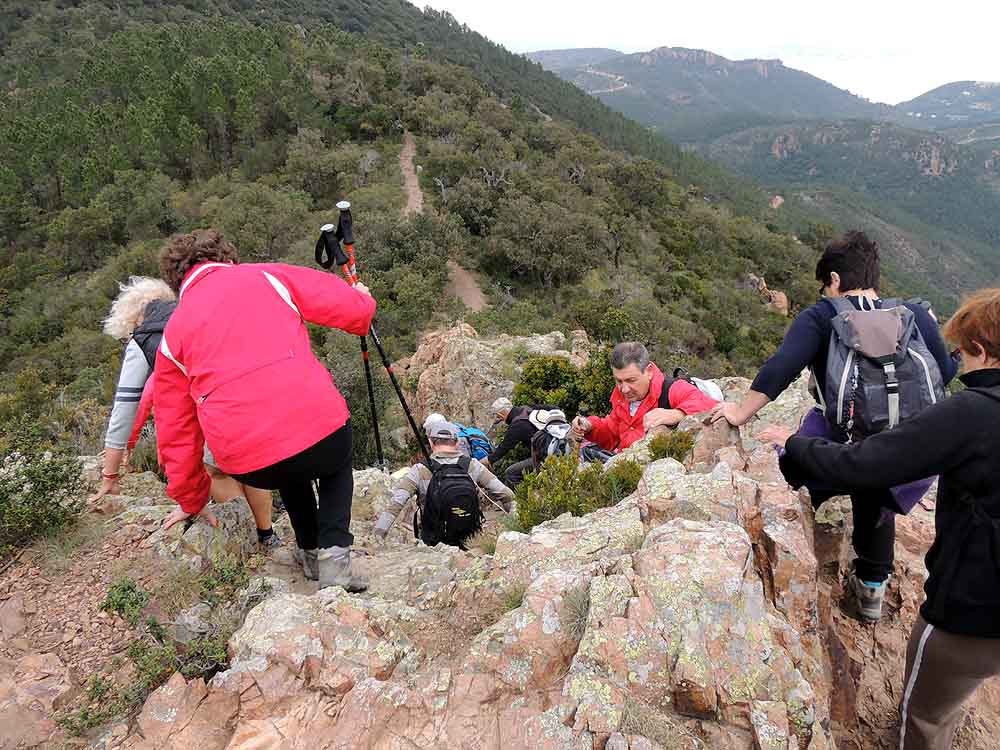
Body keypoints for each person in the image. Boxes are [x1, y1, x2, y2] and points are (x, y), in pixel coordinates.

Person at [761, 288, 1000, 750]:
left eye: (962, 353)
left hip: (972, 611)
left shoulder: (972, 413)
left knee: (925, 717)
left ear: (981, 350)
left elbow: (866, 464)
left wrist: (795, 444)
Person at [711, 230, 958, 621]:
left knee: (794, 467)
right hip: (906, 460)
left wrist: (739, 413)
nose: (825, 294)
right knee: (876, 490)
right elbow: (944, 373)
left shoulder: (822, 316)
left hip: (839, 451)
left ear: (836, 280)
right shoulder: (912, 315)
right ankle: (871, 589)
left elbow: (780, 369)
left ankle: (791, 541)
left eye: (825, 286)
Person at [151, 230, 377, 590]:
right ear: (228, 259)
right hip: (319, 432)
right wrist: (362, 300)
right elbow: (354, 313)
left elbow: (175, 430)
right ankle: (334, 561)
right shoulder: (268, 276)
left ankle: (309, 553)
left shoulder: (172, 335)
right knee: (334, 457)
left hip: (248, 464)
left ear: (176, 282)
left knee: (284, 462)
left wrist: (191, 498)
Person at [91, 276, 279, 546]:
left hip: (209, 411)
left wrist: (110, 474)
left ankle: (248, 538)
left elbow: (128, 405)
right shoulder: (197, 313)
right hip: (251, 400)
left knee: (216, 471)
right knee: (251, 468)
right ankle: (267, 534)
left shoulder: (143, 339)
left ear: (130, 319)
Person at [374, 422, 513, 548]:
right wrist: (517, 529)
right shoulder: (473, 465)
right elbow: (506, 495)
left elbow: (396, 504)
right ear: (457, 442)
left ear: (431, 442)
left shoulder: (419, 469)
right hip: (470, 540)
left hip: (434, 541)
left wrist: (377, 536)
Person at [571, 341, 719, 455]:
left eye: (631, 380)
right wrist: (589, 426)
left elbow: (711, 406)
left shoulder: (672, 389)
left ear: (649, 372)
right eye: (619, 381)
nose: (624, 389)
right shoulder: (621, 399)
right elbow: (611, 433)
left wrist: (677, 414)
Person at [483, 397, 556, 488]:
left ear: (501, 414)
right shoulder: (527, 408)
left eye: (498, 417)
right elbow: (553, 408)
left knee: (511, 473)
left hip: (546, 457)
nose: (500, 419)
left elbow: (502, 449)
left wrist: (487, 460)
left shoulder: (517, 425)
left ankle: (521, 496)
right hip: (558, 447)